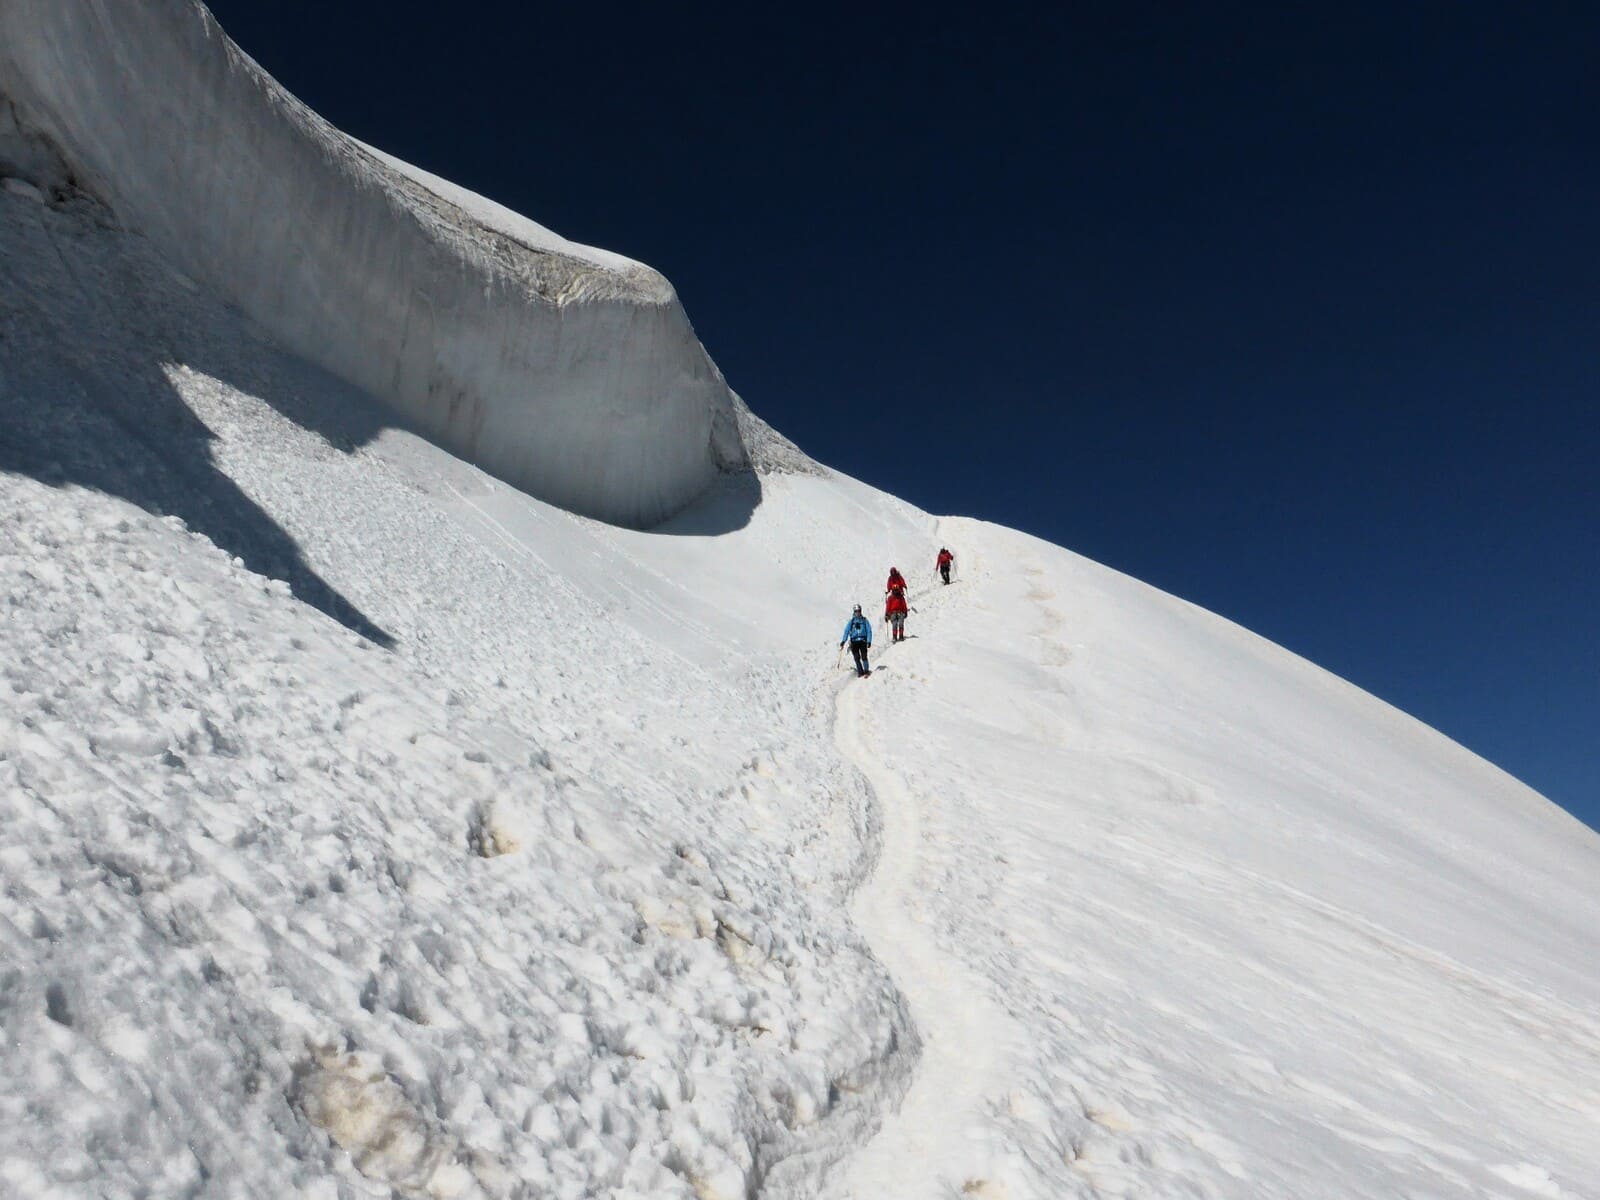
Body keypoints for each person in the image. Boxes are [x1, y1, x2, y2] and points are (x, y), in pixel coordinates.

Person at [840, 604, 873, 676]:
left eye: (859, 611)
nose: (857, 613)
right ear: (854, 612)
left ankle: (866, 670)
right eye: (856, 611)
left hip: (863, 641)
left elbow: (869, 631)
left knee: (864, 656)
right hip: (854, 641)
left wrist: (869, 641)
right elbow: (846, 631)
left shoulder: (864, 620)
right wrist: (843, 641)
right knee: (856, 657)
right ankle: (860, 672)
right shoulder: (851, 622)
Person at [884, 567, 909, 642]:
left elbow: (904, 605)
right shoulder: (890, 598)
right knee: (894, 624)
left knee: (901, 623)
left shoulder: (901, 597)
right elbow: (888, 606)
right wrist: (887, 614)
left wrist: (905, 612)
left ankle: (901, 636)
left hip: (900, 611)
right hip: (893, 612)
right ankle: (894, 636)